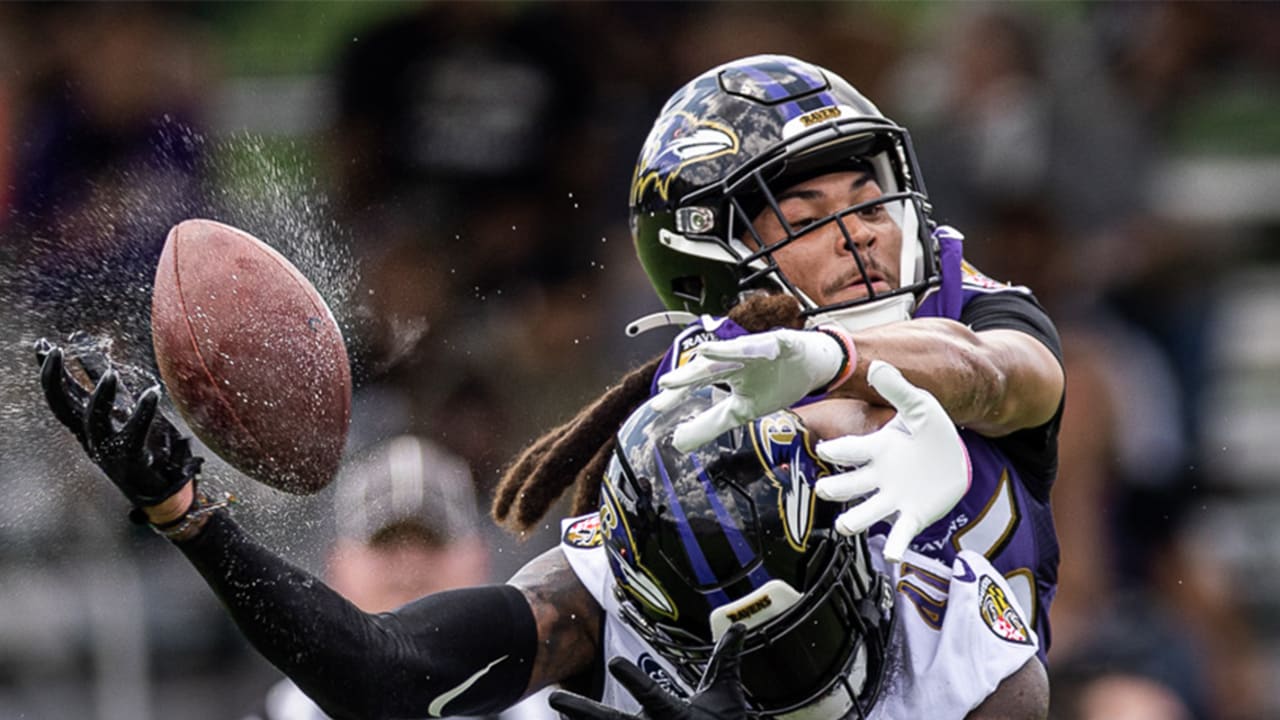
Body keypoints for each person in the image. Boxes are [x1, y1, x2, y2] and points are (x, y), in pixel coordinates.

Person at [34, 336, 1047, 719]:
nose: (779, 687)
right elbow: (386, 679)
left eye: (794, 648)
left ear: (856, 562)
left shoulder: (968, 651)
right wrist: (191, 519)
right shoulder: (596, 598)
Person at [493, 53, 1064, 660]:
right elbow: (588, 588)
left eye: (869, 206)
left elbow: (1001, 373)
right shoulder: (710, 377)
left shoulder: (965, 304)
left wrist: (831, 359)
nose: (862, 234)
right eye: (807, 220)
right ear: (712, 258)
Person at [241, 434, 554, 720]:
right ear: (338, 565)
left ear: (478, 559)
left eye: (433, 542)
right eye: (385, 543)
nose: (409, 569)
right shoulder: (279, 714)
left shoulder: (551, 713)